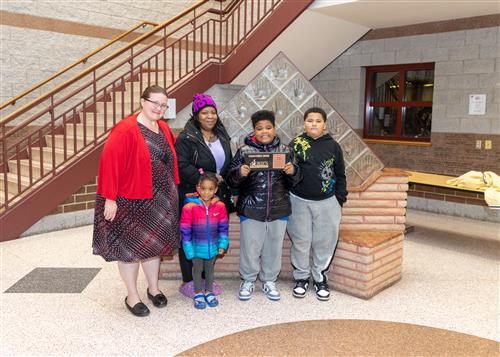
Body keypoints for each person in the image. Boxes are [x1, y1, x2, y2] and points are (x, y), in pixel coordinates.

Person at [92, 85, 179, 317]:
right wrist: (109, 199)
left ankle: (153, 288)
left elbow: (169, 160)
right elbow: (109, 165)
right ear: (142, 101)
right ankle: (132, 295)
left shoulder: (162, 127)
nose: (159, 108)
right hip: (131, 201)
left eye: (163, 105)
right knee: (129, 250)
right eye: (155, 103)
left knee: (154, 248)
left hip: (159, 200)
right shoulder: (125, 129)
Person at [227, 110, 301, 301]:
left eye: (268, 127)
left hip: (278, 209)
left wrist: (293, 171)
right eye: (259, 129)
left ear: (275, 129)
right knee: (250, 248)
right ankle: (249, 280)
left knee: (273, 248)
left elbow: (296, 181)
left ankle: (269, 281)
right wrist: (239, 173)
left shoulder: (285, 151)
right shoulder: (244, 151)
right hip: (251, 209)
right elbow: (231, 181)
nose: (264, 132)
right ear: (254, 130)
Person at [175, 93, 233, 297]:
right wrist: (206, 179)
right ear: (196, 115)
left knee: (210, 235)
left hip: (215, 197)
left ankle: (206, 277)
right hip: (193, 195)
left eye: (213, 112)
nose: (210, 116)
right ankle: (190, 280)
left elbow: (228, 163)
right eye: (205, 112)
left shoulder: (223, 135)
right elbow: (181, 166)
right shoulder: (186, 138)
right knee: (191, 236)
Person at [287, 107, 347, 301]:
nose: (314, 123)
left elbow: (340, 173)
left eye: (318, 120)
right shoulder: (296, 144)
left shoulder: (333, 146)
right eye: (310, 120)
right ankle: (301, 278)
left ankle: (320, 278)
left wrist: (339, 199)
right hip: (298, 201)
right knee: (301, 241)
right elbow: (287, 172)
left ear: (325, 124)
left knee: (324, 242)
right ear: (304, 123)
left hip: (328, 203)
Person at [180, 172, 229, 309]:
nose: (206, 192)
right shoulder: (189, 207)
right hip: (196, 248)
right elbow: (185, 230)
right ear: (198, 188)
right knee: (197, 270)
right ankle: (198, 293)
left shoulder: (220, 206)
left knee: (210, 270)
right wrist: (188, 249)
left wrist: (222, 244)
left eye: (210, 189)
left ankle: (209, 291)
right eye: (203, 188)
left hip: (213, 247)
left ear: (216, 190)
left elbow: (223, 228)